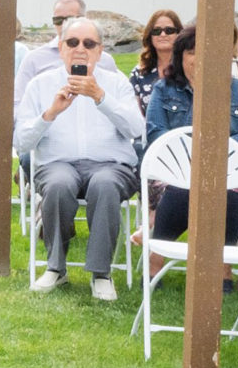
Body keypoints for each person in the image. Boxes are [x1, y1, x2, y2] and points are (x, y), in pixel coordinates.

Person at [15, 16, 144, 301]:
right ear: (61, 48)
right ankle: (56, 268)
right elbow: (21, 141)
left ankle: (101, 273)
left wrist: (101, 98)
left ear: (100, 51)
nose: (80, 49)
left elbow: (137, 130)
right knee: (59, 184)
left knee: (105, 184)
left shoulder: (116, 83)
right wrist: (50, 113)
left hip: (110, 165)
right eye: (72, 42)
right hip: (58, 164)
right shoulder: (41, 84)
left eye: (89, 43)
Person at [142, 20, 238, 243]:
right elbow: (156, 133)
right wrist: (193, 152)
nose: (201, 59)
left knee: (228, 197)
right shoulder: (165, 89)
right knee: (180, 191)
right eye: (193, 52)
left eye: (209, 52)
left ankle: (221, 270)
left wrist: (220, 150)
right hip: (174, 170)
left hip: (228, 171)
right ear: (181, 57)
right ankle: (155, 260)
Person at [13, 0, 87, 95]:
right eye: (58, 20)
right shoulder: (34, 59)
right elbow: (17, 101)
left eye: (69, 19)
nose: (64, 25)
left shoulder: (103, 60)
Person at [130, 8, 182, 111]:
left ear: (179, 34)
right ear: (150, 36)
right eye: (156, 31)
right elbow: (135, 117)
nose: (163, 35)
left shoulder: (189, 70)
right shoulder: (138, 74)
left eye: (169, 30)